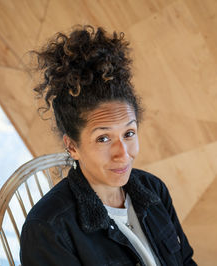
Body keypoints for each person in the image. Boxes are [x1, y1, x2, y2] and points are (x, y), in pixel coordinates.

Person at [20, 25, 197, 266]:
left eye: (129, 133)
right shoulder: (49, 228)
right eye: (103, 138)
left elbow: (185, 261)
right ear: (72, 147)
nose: (123, 154)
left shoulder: (154, 191)